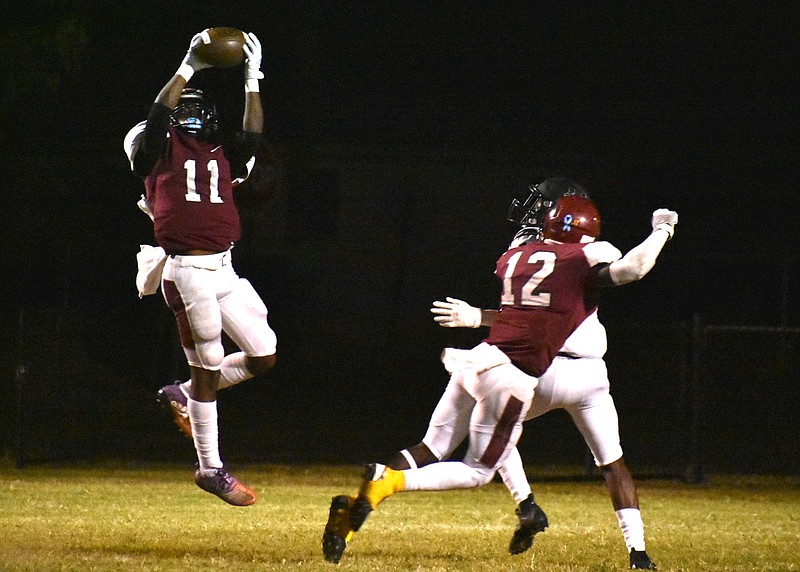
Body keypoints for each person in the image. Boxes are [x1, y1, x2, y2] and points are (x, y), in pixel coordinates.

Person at [323, 181, 676, 570]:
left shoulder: (517, 255)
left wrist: (477, 317)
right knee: (599, 461)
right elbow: (629, 270)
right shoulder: (588, 253)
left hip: (487, 357)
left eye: (543, 209)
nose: (535, 214)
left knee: (437, 444)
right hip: (552, 368)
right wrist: (662, 228)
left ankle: (520, 507)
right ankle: (637, 552)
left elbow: (526, 311)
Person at [123, 30, 276, 506]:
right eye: (180, 109)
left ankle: (183, 392)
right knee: (208, 366)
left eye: (196, 107)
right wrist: (189, 66)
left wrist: (253, 78)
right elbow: (153, 120)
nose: (188, 114)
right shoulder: (154, 149)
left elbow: (253, 135)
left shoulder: (222, 153)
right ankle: (211, 468)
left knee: (264, 354)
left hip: (225, 269)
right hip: (187, 272)